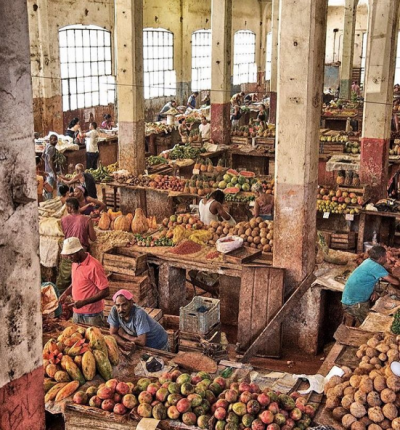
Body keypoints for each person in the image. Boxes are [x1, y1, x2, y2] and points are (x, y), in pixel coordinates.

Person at [342, 245, 400, 324]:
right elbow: (395, 281)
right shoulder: (376, 267)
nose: (386, 258)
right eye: (385, 256)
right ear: (380, 258)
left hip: (348, 298)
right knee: (370, 324)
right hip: (354, 303)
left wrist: (372, 291)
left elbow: (365, 279)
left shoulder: (368, 261)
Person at [59, 237, 109, 326]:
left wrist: (84, 302)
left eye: (71, 255)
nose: (69, 258)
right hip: (77, 313)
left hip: (92, 315)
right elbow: (76, 282)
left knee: (94, 339)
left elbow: (105, 291)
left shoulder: (94, 266)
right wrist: (65, 293)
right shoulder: (75, 263)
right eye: (68, 256)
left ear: (79, 251)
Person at [57, 198, 97, 294]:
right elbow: (93, 238)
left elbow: (65, 233)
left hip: (67, 252)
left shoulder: (63, 219)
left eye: (66, 207)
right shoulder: (87, 220)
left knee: (63, 280)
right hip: (80, 252)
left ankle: (58, 298)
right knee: (81, 280)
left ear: (70, 208)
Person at [42, 134, 58, 200]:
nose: (56, 142)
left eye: (56, 140)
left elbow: (42, 156)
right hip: (51, 171)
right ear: (50, 140)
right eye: (54, 140)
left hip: (47, 169)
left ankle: (48, 200)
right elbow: (50, 160)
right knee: (50, 188)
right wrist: (54, 172)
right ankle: (49, 201)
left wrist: (46, 163)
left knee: (48, 186)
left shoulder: (47, 145)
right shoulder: (52, 148)